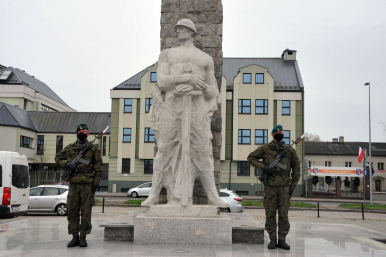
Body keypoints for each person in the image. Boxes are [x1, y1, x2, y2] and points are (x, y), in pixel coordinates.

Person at [141, 19, 226, 207]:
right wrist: (186, 78)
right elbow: (162, 82)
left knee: (204, 150)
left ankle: (213, 197)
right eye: (177, 29)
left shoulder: (205, 59)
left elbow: (213, 91)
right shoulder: (167, 55)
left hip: (196, 107)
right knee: (164, 148)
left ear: (192, 32)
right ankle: (153, 195)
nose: (178, 31)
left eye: (183, 28)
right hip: (172, 104)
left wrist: (203, 87)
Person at [247, 124, 300, 250]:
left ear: (284, 134)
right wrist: (264, 167)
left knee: (283, 215)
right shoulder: (265, 148)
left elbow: (296, 169)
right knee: (270, 214)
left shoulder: (290, 150)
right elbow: (250, 158)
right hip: (270, 186)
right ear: (272, 135)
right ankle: (272, 239)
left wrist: (293, 186)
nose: (279, 133)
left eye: (281, 131)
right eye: (277, 132)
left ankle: (282, 240)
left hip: (284, 187)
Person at [55, 124, 103, 247]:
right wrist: (66, 164)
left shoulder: (92, 148)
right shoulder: (70, 148)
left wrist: (95, 184)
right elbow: (58, 158)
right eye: (80, 130)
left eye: (85, 131)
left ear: (88, 133)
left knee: (86, 212)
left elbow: (98, 168)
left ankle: (83, 237)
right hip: (74, 185)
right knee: (72, 211)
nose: (82, 132)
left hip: (87, 185)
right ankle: (74, 236)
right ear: (77, 133)